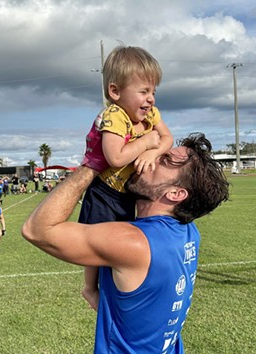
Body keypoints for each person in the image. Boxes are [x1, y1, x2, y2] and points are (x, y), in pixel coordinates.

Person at [21, 132, 229, 353]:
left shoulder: (135, 243)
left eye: (164, 160)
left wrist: (93, 164)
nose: (149, 156)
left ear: (176, 193)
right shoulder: (187, 231)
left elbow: (37, 230)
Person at [79, 45, 173, 309]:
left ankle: (120, 286)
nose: (151, 99)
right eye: (143, 91)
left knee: (122, 243)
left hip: (127, 194)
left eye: (153, 91)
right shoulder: (115, 116)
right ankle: (89, 288)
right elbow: (115, 158)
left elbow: (167, 138)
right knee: (96, 243)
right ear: (115, 92)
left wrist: (153, 152)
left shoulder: (151, 115)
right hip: (105, 194)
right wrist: (146, 144)